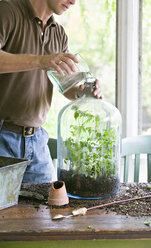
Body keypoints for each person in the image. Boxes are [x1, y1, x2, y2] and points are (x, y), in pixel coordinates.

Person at [0, 0, 103, 183]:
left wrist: (83, 91)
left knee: (45, 211)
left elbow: (67, 86)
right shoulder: (7, 11)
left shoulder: (59, 33)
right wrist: (40, 61)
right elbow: (43, 62)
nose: (73, 1)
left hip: (38, 141)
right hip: (2, 136)